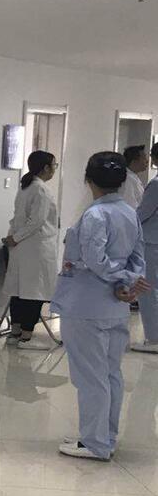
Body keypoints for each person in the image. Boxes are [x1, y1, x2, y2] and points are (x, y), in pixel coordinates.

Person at [53, 151, 149, 460]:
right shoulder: (129, 213)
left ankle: (95, 442)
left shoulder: (95, 216)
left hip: (86, 306)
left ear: (88, 179)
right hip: (115, 307)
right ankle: (106, 436)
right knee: (110, 374)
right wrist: (127, 282)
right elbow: (138, 258)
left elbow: (95, 261)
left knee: (91, 376)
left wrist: (120, 278)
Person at [1, 151, 59, 350]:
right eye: (54, 165)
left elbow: (18, 218)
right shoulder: (41, 189)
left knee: (19, 291)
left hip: (22, 247)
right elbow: (37, 221)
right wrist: (15, 238)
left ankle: (15, 333)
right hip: (36, 247)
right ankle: (27, 337)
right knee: (34, 292)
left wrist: (13, 238)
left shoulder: (25, 187)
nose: (54, 169)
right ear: (46, 168)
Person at [133, 142, 158, 353]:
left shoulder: (156, 184)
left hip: (152, 242)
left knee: (148, 289)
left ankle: (154, 338)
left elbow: (143, 213)